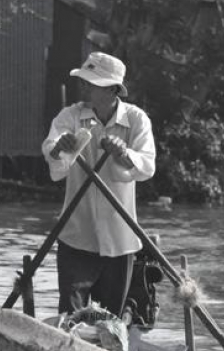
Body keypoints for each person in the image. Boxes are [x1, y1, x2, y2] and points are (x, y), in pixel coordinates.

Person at [42, 52, 156, 317]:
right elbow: (51, 147)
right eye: (83, 82)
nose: (82, 87)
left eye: (90, 83)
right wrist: (61, 148)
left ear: (112, 89)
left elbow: (147, 165)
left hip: (120, 240)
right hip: (76, 236)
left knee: (110, 320)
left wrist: (123, 154)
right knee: (70, 318)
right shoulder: (70, 116)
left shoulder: (136, 120)